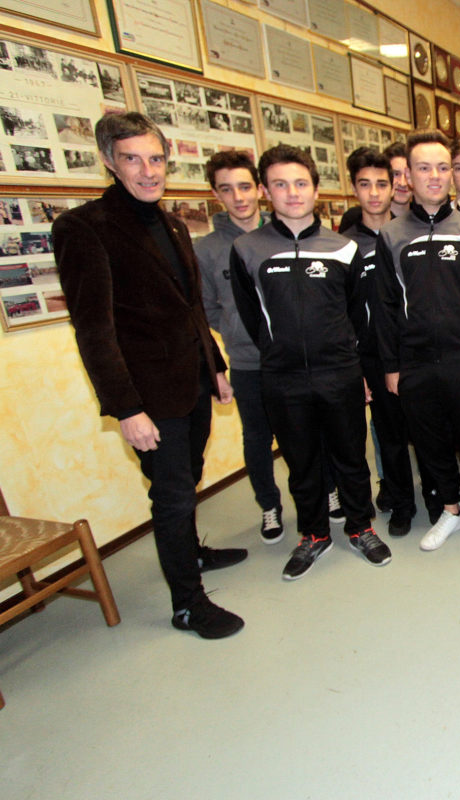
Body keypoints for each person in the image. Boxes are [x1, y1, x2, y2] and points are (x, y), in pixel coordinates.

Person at [53, 112, 245, 639]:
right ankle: (188, 604)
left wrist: (216, 367)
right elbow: (93, 330)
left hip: (193, 381)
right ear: (109, 162)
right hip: (149, 395)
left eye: (156, 158)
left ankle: (192, 553)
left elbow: (191, 306)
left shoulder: (174, 224)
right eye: (132, 159)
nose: (148, 170)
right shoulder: (83, 228)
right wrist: (126, 408)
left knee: (188, 476)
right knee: (172, 494)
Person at [231, 144, 389, 580]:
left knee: (351, 458)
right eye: (280, 185)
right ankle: (314, 534)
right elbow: (251, 315)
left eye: (301, 183)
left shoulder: (343, 248)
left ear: (316, 190)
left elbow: (356, 312)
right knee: (301, 463)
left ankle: (360, 528)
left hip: (339, 373)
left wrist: (348, 361)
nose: (292, 192)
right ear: (265, 192)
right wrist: (278, 352)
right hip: (282, 378)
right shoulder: (247, 249)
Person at [373, 130, 460, 551]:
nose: (434, 176)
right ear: (408, 176)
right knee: (431, 443)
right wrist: (392, 366)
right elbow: (385, 307)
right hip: (415, 364)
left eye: (442, 167)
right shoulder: (391, 236)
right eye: (423, 168)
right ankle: (451, 509)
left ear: (451, 173)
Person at [194, 150, 284, 545]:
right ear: (216, 195)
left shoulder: (283, 234)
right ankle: (269, 506)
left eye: (245, 187)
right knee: (257, 439)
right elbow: (207, 307)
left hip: (292, 358)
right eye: (227, 190)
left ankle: (324, 492)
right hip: (248, 363)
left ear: (260, 189)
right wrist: (236, 331)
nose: (239, 197)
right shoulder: (207, 249)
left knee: (306, 433)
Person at [339, 146, 418, 538]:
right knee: (390, 436)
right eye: (365, 184)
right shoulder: (343, 245)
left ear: (394, 186)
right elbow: (343, 312)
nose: (374, 193)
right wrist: (357, 367)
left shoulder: (409, 233)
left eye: (381, 184)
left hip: (417, 350)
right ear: (354, 188)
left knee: (427, 429)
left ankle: (438, 497)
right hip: (373, 355)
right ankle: (402, 503)